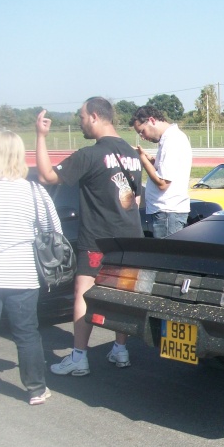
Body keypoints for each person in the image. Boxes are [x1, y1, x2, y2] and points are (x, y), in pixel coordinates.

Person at [35, 97, 143, 376]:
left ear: (94, 117)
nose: (80, 122)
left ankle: (79, 356)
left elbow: (47, 176)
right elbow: (135, 201)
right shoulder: (131, 155)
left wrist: (41, 136)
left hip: (98, 238)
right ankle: (120, 350)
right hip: (130, 237)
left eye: (82, 117)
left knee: (83, 292)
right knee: (121, 294)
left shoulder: (89, 154)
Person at [0, 131, 59, 407]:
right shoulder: (32, 191)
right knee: (27, 333)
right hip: (22, 274)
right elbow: (52, 230)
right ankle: (35, 389)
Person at [129, 106, 192, 238]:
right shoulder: (169, 139)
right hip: (167, 213)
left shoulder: (172, 140)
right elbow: (164, 170)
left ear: (151, 120)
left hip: (168, 212)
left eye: (142, 131)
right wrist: (148, 158)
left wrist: (143, 160)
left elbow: (162, 183)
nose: (143, 137)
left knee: (167, 257)